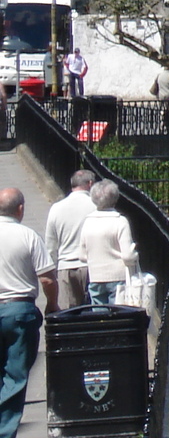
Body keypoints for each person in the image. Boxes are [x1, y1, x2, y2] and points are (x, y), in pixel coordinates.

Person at [0, 187, 54, 438]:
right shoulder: (28, 236)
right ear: (20, 209)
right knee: (16, 374)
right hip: (20, 311)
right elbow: (47, 279)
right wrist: (52, 304)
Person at [43, 170, 96, 311]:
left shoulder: (56, 208)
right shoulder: (95, 206)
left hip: (65, 267)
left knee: (67, 314)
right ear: (90, 184)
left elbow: (51, 245)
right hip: (90, 267)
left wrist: (52, 273)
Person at [79, 181, 137, 307]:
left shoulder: (88, 222)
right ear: (115, 198)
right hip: (118, 276)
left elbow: (82, 256)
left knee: (99, 316)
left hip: (95, 276)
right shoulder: (120, 221)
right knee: (118, 314)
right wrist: (135, 255)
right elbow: (128, 256)